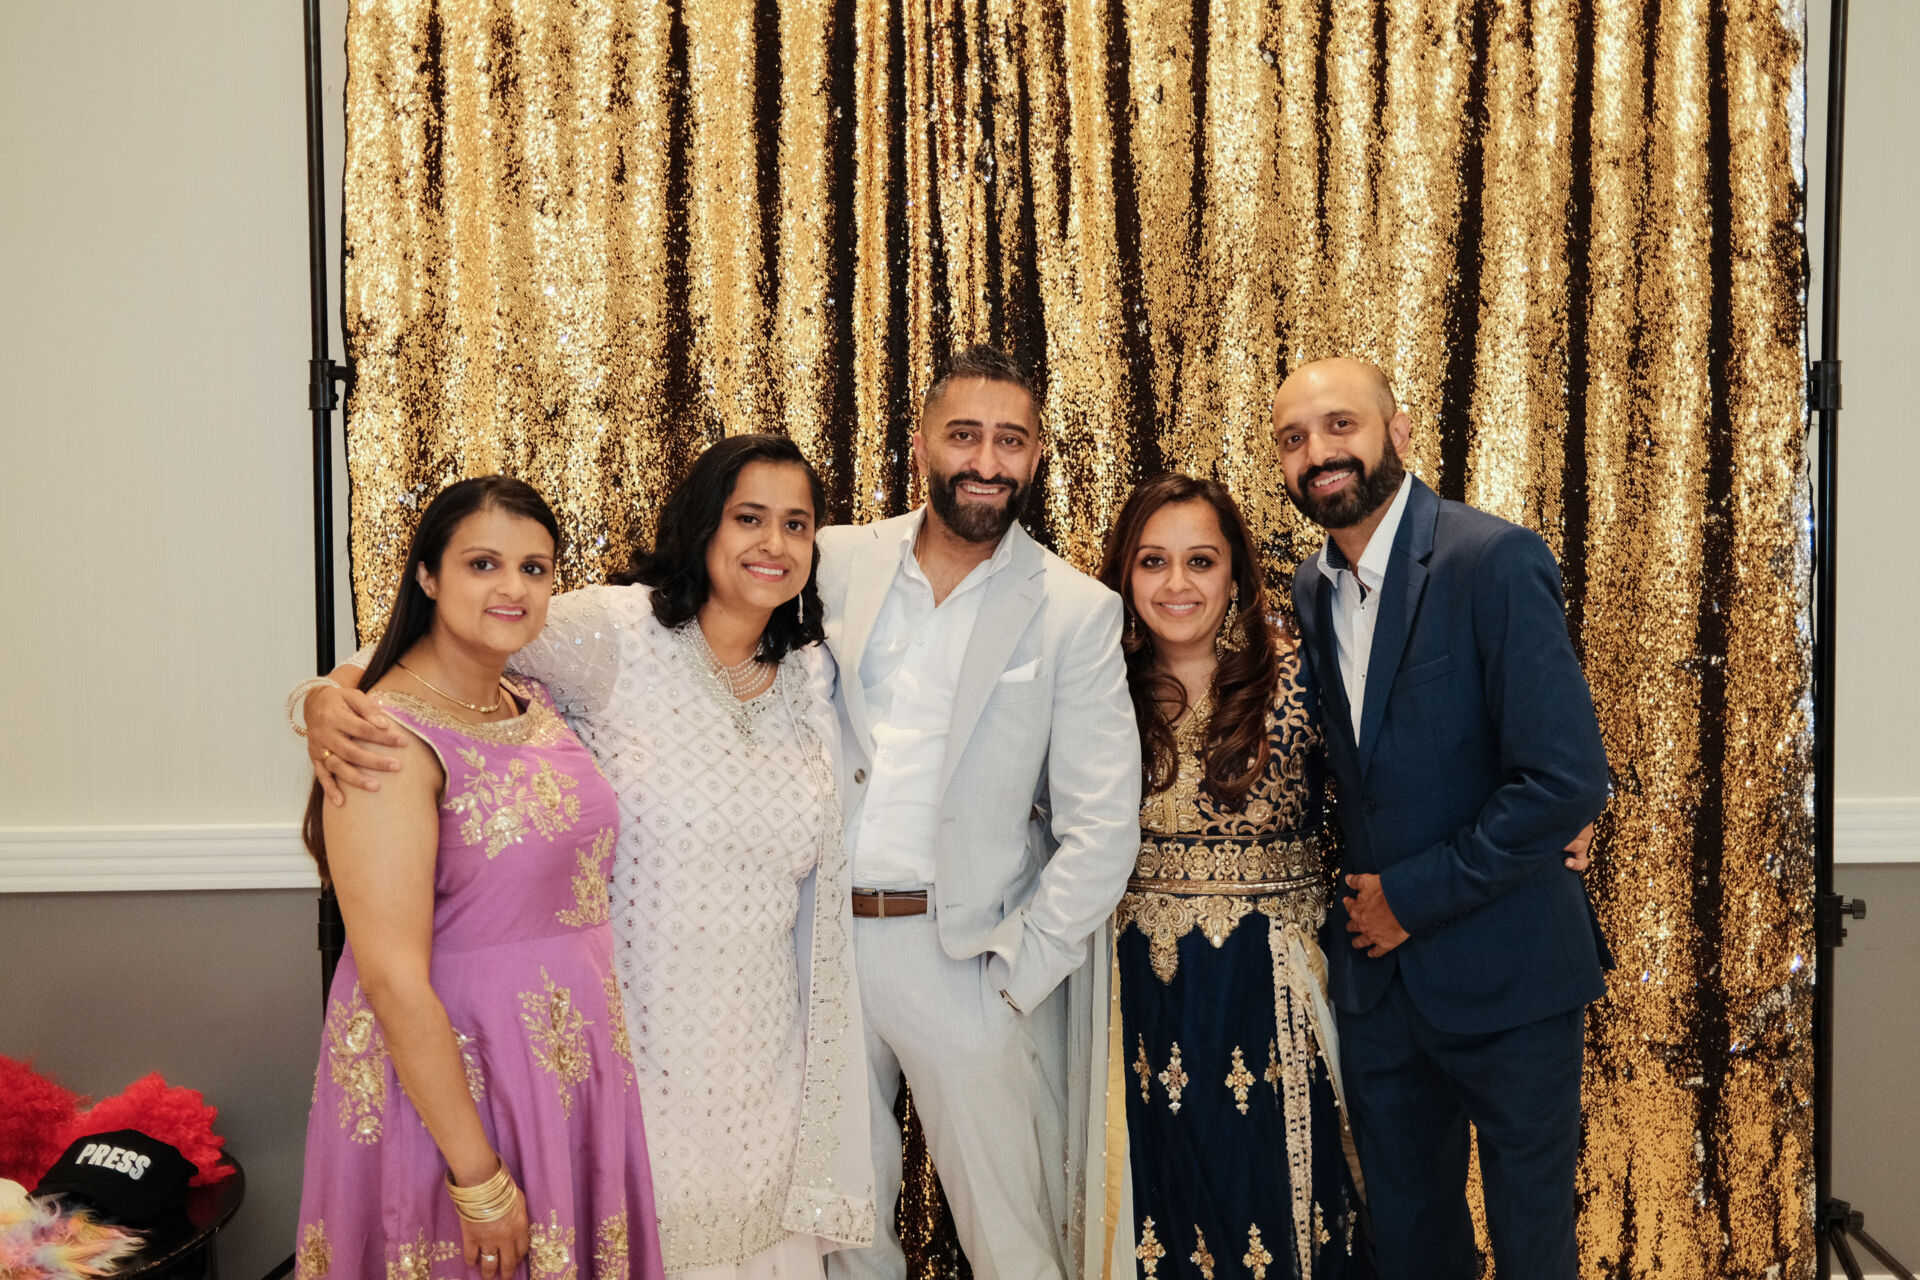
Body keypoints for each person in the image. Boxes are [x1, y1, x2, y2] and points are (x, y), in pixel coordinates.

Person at [298, 437, 875, 1280]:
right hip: (613, 1046)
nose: (773, 544)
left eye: (797, 524)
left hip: (750, 1052)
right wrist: (322, 696)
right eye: (748, 517)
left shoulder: (812, 679)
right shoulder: (615, 635)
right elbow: (445, 649)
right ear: (702, 526)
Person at [1272, 358, 1612, 1280]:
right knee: (1413, 1247)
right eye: (1294, 439)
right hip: (1380, 993)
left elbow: (1564, 778)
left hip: (1512, 976)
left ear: (1399, 431)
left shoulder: (1491, 558)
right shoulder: (1310, 589)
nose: (1318, 453)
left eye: (1340, 425)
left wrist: (1408, 900)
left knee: (1533, 1250)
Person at [815, 345, 1141, 1280]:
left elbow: (1102, 824)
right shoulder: (833, 561)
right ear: (921, 445)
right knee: (840, 1233)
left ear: (1036, 455)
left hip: (963, 959)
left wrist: (1014, 979)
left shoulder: (1075, 610)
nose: (987, 462)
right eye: (965, 436)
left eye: (1011, 441)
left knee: (1011, 1240)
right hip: (821, 951)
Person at [292, 475, 665, 1280]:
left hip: (561, 1070)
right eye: (483, 564)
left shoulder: (529, 697)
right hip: (452, 1084)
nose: (513, 588)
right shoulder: (383, 741)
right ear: (428, 576)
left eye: (535, 568)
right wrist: (478, 1178)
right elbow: (391, 979)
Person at [1095, 473, 1375, 1280]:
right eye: (1153, 561)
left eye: (1201, 561)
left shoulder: (1301, 668)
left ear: (1235, 573)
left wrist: (1544, 802)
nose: (1176, 585)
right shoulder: (1096, 680)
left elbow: (1400, 767)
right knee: (1157, 1209)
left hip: (1273, 983)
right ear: (1125, 574)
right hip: (1141, 993)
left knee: (1280, 1205)